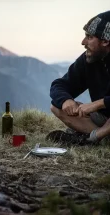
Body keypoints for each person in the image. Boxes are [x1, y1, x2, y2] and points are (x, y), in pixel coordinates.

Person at [46, 11, 110, 145]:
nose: (83, 42)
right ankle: (101, 139)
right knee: (56, 107)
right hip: (104, 119)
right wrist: (66, 100)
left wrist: (98, 103)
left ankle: (93, 138)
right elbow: (60, 85)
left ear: (105, 41)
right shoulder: (90, 60)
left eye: (89, 37)